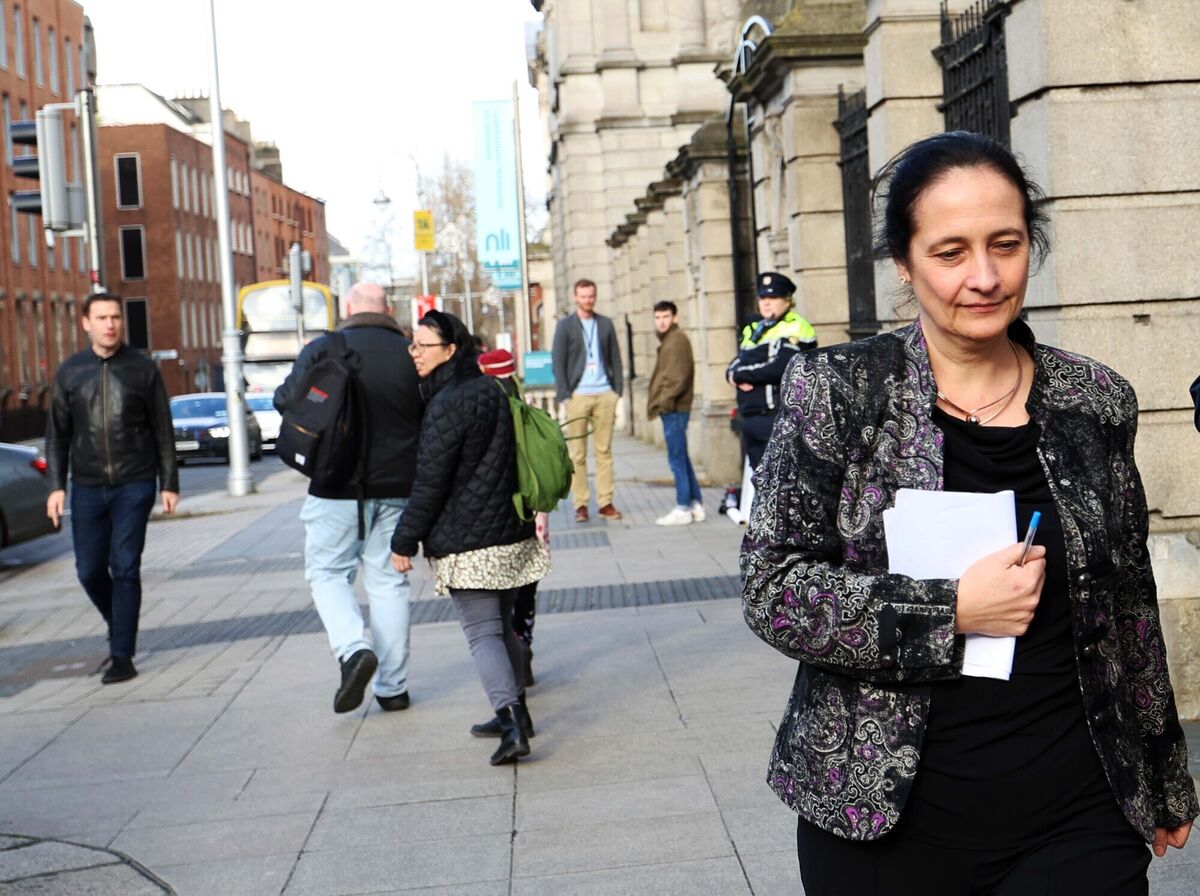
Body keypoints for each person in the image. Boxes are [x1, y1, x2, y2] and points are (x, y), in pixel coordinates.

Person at [742, 130, 1197, 895]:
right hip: (885, 821)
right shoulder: (839, 391)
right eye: (951, 252)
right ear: (905, 262)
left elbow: (1127, 603)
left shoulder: (1095, 398)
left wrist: (1162, 770)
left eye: (1007, 245)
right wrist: (950, 608)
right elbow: (772, 590)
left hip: (1076, 813)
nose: (984, 277)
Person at [391, 311, 548, 765]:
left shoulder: (446, 404)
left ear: (451, 350)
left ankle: (513, 720)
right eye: (412, 345)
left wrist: (404, 540)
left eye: (423, 346)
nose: (414, 353)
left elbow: (430, 482)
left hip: (470, 541)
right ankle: (516, 715)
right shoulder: (493, 390)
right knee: (502, 630)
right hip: (509, 532)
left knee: (482, 634)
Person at [274, 281, 423, 714]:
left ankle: (354, 650)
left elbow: (285, 400)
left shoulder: (327, 347)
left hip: (335, 485)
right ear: (388, 310)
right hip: (400, 488)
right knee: (389, 583)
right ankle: (393, 689)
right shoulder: (411, 352)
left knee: (326, 574)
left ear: (348, 308)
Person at [45, 291, 179, 685]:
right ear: (86, 323)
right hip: (86, 486)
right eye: (102, 317)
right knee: (88, 570)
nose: (110, 324)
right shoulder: (71, 372)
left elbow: (163, 430)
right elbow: (57, 435)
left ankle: (122, 655)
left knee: (124, 566)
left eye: (116, 317)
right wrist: (56, 486)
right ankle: (119, 623)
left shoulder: (143, 369)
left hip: (134, 482)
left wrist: (168, 482)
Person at [476, 347, 547, 688]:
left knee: (504, 594)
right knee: (528, 587)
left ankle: (512, 656)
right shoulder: (528, 410)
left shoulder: (487, 411)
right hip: (534, 516)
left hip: (500, 516)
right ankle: (525, 644)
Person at [726, 271, 817, 469]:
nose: (766, 303)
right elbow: (735, 363)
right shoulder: (754, 328)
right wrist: (733, 374)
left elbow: (779, 367)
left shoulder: (796, 326)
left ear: (787, 300)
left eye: (773, 297)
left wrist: (741, 374)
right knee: (760, 482)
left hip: (777, 416)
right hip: (750, 416)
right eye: (763, 298)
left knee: (781, 480)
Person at [552, 278, 624, 522]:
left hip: (605, 393)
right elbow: (558, 362)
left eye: (591, 296)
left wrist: (618, 392)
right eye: (583, 296)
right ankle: (581, 503)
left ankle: (605, 502)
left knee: (604, 451)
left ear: (595, 296)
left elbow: (615, 358)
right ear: (576, 297)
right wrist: (565, 396)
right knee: (577, 455)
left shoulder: (605, 324)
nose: (587, 300)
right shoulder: (565, 326)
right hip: (579, 395)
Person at [646, 301, 704, 526]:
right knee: (682, 458)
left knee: (676, 460)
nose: (661, 322)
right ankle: (695, 504)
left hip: (674, 409)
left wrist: (664, 402)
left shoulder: (676, 340)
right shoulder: (670, 340)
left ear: (675, 318)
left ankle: (683, 506)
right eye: (658, 317)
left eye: (665, 317)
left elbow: (677, 379)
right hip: (674, 408)